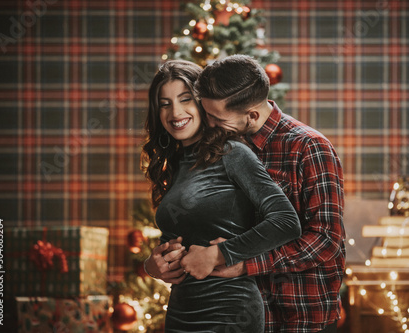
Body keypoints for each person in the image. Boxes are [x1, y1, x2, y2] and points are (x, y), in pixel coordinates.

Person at [146, 55, 346, 333]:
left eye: (215, 116)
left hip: (296, 313)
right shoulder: (212, 150)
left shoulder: (307, 146)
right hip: (237, 308)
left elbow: (326, 240)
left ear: (251, 115)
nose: (210, 123)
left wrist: (238, 263)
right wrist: (157, 263)